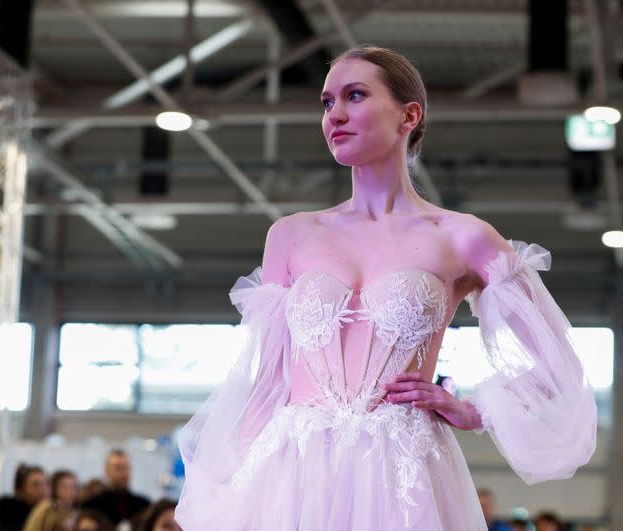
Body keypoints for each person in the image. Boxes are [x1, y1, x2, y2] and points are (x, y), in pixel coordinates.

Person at [175, 45, 597, 531]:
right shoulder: (290, 235)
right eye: (327, 102)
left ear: (409, 114)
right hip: (293, 472)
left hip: (402, 471)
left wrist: (474, 410)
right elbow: (267, 381)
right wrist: (234, 491)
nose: (335, 114)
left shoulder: (462, 236)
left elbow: (556, 361)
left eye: (354, 96)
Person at [81, 450, 149, 527]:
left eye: (127, 467)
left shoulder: (144, 505)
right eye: (118, 468)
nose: (124, 473)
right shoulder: (91, 506)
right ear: (107, 471)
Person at [0, 464, 48, 531]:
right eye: (36, 484)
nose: (43, 489)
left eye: (46, 483)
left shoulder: (52, 513)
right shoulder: (8, 510)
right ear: (23, 488)